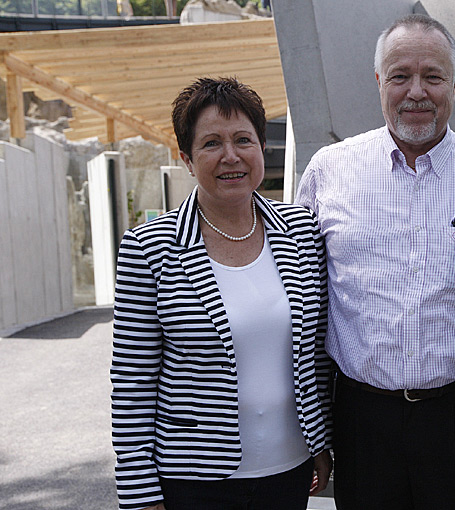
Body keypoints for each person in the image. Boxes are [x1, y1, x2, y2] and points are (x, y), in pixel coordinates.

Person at [294, 14, 455, 509]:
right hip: (362, 420)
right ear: (379, 81)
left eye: (433, 76)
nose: (416, 92)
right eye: (400, 75)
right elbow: (302, 303)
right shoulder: (328, 172)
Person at [111, 77, 332, 510]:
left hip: (288, 471)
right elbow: (132, 385)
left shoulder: (303, 232)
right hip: (192, 479)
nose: (231, 156)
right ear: (187, 159)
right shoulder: (149, 249)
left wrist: (320, 444)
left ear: (261, 149)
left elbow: (317, 355)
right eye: (211, 143)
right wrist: (140, 493)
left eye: (243, 140)